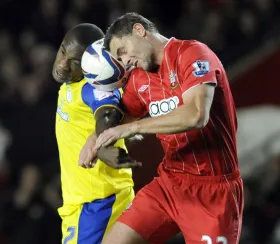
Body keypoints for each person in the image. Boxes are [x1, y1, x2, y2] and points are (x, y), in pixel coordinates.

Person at [84, 13, 244, 244]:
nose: (125, 60)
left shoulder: (192, 54)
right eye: (120, 58)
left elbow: (196, 115)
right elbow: (122, 119)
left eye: (123, 50)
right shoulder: (139, 78)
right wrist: (94, 139)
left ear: (139, 30)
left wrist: (132, 128)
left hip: (214, 190)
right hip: (170, 183)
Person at [53, 23, 140, 244]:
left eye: (74, 62)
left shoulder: (94, 85)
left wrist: (102, 145)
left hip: (98, 203)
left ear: (89, 62)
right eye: (63, 51)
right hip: (81, 202)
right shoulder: (72, 83)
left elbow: (107, 114)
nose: (63, 64)